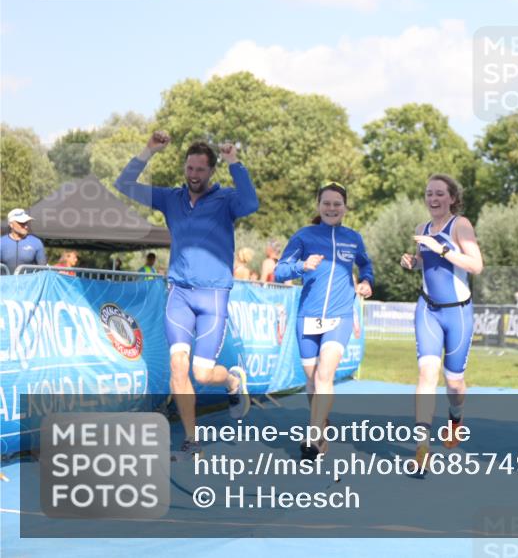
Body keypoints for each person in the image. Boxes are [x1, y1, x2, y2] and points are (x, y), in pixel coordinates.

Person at [115, 131, 258, 459]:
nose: (194, 175)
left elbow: (251, 203)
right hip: (179, 293)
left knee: (202, 373)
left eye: (200, 170)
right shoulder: (171, 198)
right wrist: (148, 150)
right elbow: (124, 185)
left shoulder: (226, 200)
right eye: (190, 168)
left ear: (211, 171)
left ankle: (232, 382)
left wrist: (234, 162)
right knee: (178, 366)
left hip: (213, 296)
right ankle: (192, 439)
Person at [274, 181, 373, 459]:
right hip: (308, 316)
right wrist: (301, 266)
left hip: (340, 315)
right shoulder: (304, 236)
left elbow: (366, 264)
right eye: (326, 203)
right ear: (318, 206)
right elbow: (280, 271)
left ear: (345, 208)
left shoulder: (353, 238)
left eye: (337, 204)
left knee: (324, 375)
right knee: (312, 382)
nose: (331, 208)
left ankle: (314, 436)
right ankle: (321, 425)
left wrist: (367, 281)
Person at [400, 174, 483, 466]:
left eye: (439, 194)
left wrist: (442, 249)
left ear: (451, 198)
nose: (433, 199)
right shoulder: (421, 229)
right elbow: (427, 263)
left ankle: (455, 418)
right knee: (426, 374)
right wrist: (413, 262)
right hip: (428, 310)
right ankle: (422, 446)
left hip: (458, 312)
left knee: (454, 383)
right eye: (429, 193)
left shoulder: (460, 225)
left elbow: (476, 265)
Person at [0, 209, 46, 273]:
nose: (26, 226)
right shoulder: (1, 242)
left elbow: (43, 270)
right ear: (11, 225)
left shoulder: (36, 242)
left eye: (26, 223)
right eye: (21, 223)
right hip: (4, 279)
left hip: (30, 279)